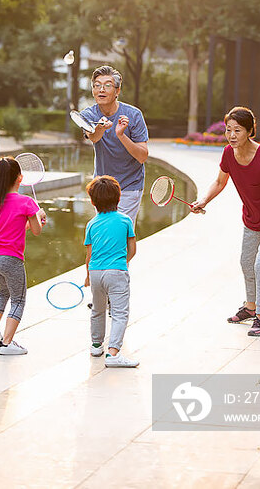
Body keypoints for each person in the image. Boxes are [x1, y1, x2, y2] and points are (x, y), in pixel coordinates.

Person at [192, 106, 260, 337]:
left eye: (237, 130)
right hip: (251, 218)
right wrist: (203, 200)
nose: (232, 135)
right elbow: (219, 182)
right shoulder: (228, 153)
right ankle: (250, 307)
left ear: (249, 131)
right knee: (246, 263)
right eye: (228, 130)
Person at [0, 156, 46, 355]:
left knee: (2, 292)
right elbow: (37, 231)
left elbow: (16, 228)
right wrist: (39, 216)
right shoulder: (27, 202)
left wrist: (33, 219)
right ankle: (7, 343)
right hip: (11, 258)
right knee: (18, 299)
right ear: (20, 178)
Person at [80, 65, 149, 225]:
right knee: (105, 234)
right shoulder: (88, 114)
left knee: (121, 235)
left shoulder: (134, 115)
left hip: (129, 185)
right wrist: (100, 128)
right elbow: (94, 138)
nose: (101, 90)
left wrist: (121, 135)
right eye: (97, 85)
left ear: (117, 91)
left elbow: (142, 156)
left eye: (107, 85)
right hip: (102, 187)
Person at [84, 175, 139, 367]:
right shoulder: (125, 221)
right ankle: (113, 353)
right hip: (117, 271)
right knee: (119, 313)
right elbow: (132, 249)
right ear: (119, 197)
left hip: (96, 272)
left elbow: (89, 255)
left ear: (92, 201)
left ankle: (96, 345)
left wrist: (88, 275)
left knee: (97, 309)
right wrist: (122, 263)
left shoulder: (91, 224)